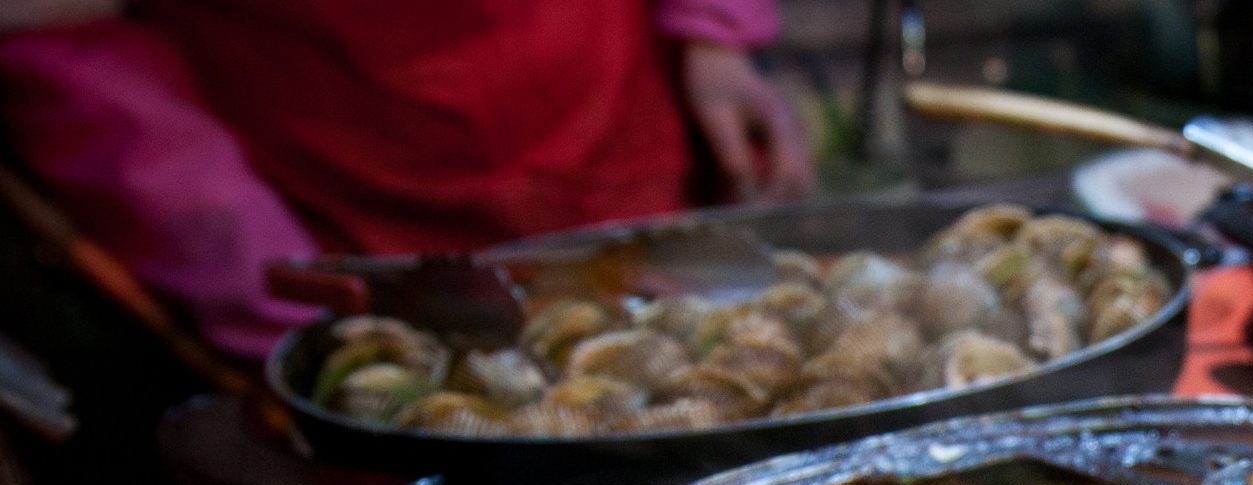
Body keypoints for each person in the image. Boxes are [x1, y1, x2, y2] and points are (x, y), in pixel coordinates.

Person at [0, 0, 812, 360]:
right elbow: (73, 42)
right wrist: (266, 286)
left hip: (630, 131)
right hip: (348, 212)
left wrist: (713, 34)